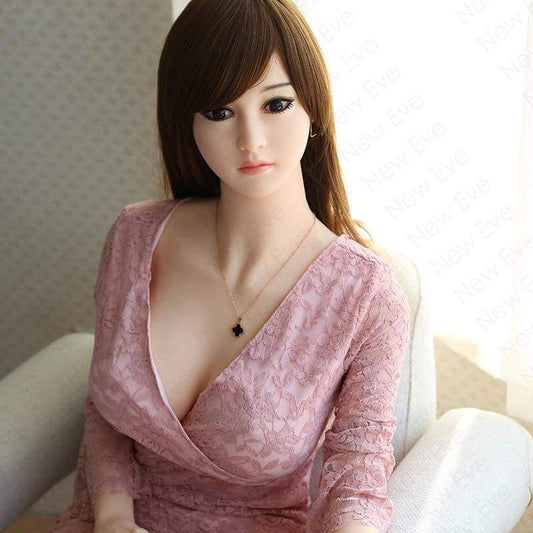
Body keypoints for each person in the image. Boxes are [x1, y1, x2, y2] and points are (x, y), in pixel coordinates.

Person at [49, 1, 410, 532]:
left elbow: (356, 479)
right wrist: (113, 517)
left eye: (276, 104)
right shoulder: (135, 236)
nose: (251, 140)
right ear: (187, 122)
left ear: (314, 108)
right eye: (220, 112)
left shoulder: (366, 297)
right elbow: (105, 412)